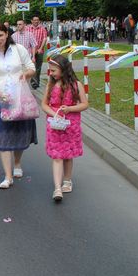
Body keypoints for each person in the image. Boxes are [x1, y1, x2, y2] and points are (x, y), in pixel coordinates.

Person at [0, 22, 37, 189]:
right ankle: (8, 176)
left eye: (1, 35)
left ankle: (18, 162)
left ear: (7, 34)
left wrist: (25, 74)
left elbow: (31, 67)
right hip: (0, 100)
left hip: (19, 98)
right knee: (4, 135)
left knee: (19, 132)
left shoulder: (19, 49)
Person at [41, 55, 88, 202]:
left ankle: (67, 180)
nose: (51, 73)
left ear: (63, 69)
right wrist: (55, 114)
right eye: (50, 70)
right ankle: (57, 187)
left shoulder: (76, 85)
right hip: (54, 124)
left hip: (70, 125)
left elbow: (84, 104)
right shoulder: (50, 85)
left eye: (53, 70)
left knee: (67, 156)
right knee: (57, 156)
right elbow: (44, 105)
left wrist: (69, 109)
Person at [28, 16, 48, 89]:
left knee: (38, 67)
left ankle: (36, 82)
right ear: (32, 21)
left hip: (40, 50)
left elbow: (44, 38)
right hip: (30, 51)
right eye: (35, 20)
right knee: (31, 66)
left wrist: (40, 48)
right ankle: (32, 82)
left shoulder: (42, 29)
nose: (36, 21)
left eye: (37, 20)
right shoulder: (28, 28)